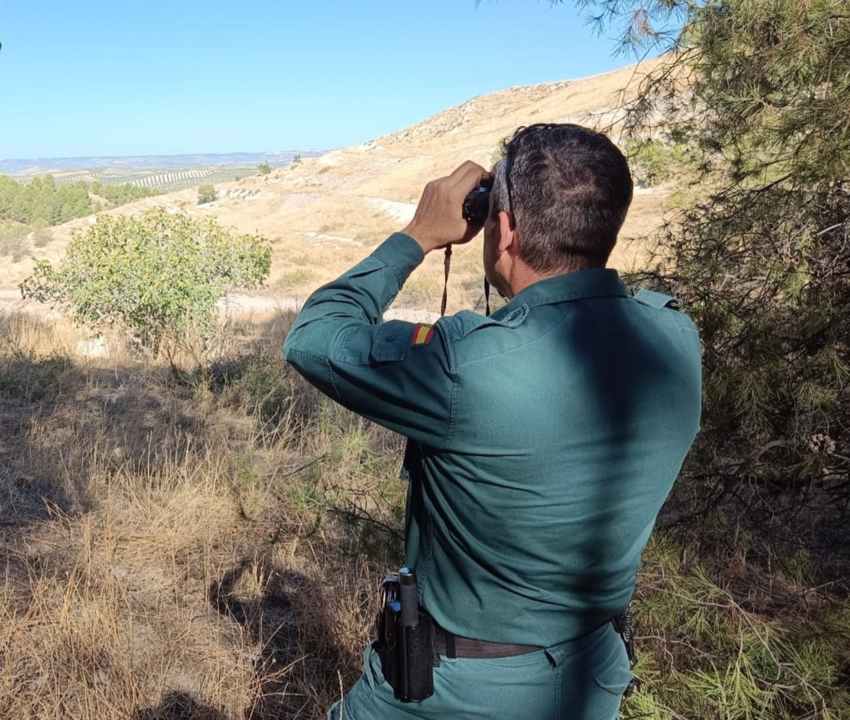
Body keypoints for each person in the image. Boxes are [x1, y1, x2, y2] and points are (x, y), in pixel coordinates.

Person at [283, 124, 702, 720]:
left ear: (502, 229)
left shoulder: (469, 367)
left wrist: (416, 236)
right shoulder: (675, 337)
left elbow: (314, 339)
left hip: (454, 693)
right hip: (591, 679)